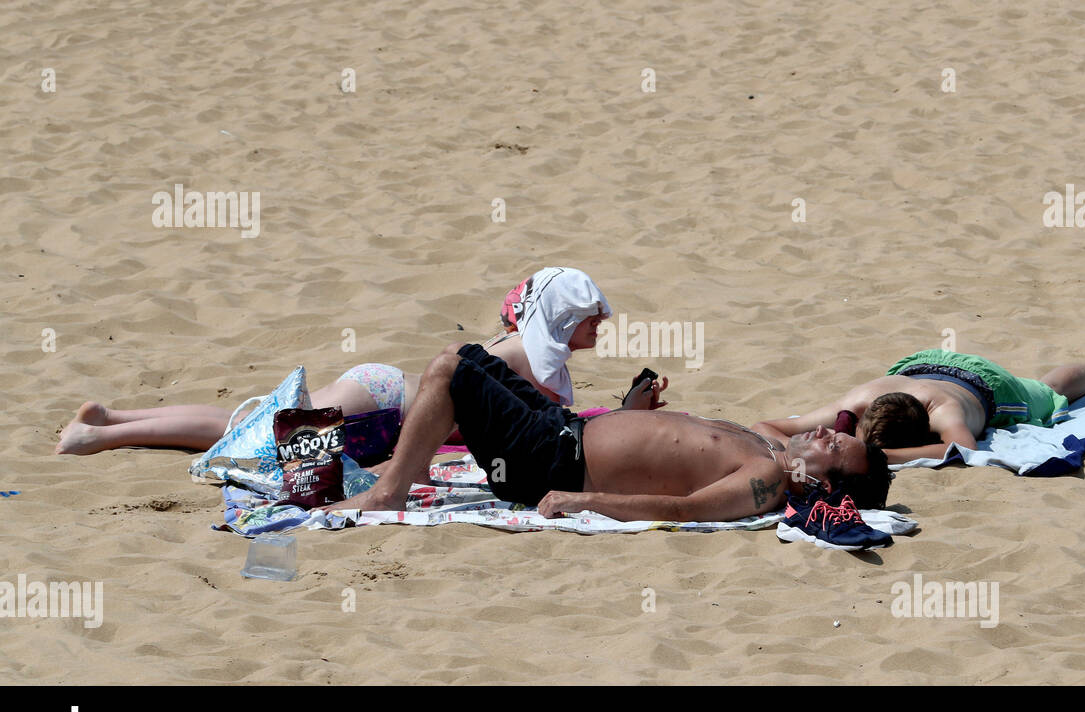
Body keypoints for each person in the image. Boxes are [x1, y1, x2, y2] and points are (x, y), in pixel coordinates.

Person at [55, 267, 666, 455]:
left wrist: (622, 410)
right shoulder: (532, 361)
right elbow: (548, 432)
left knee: (251, 425)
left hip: (383, 399)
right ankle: (97, 436)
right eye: (591, 318)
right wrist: (622, 415)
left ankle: (116, 418)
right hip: (381, 406)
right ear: (560, 319)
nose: (600, 327)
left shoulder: (541, 359)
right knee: (256, 437)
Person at [324, 342, 893, 523]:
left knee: (452, 370)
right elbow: (665, 449)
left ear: (823, 487)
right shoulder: (767, 443)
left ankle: (390, 490)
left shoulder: (767, 479)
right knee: (469, 357)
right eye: (839, 435)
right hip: (564, 431)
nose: (828, 436)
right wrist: (632, 409)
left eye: (837, 451)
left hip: (553, 461)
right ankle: (411, 466)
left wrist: (587, 501)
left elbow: (688, 510)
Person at [752, 344, 1085, 464]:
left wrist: (879, 456)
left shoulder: (944, 412)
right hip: (920, 365)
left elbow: (964, 446)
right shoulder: (858, 401)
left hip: (985, 384)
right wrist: (788, 452)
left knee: (1046, 391)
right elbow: (767, 428)